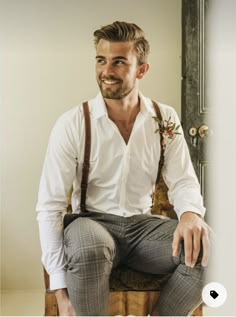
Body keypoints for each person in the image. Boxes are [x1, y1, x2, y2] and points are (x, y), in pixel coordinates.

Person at [36, 21, 210, 316]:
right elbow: (50, 205)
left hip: (143, 228)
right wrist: (60, 293)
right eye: (101, 60)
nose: (106, 71)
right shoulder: (74, 123)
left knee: (210, 250)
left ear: (142, 70)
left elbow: (183, 180)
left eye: (119, 62)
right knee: (90, 248)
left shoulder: (163, 118)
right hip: (91, 223)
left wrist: (191, 214)